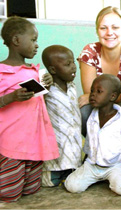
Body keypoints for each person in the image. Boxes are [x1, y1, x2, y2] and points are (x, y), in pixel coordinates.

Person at [0, 17, 59, 202]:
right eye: (33, 40)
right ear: (17, 40)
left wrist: (47, 85)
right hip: (12, 142)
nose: (36, 45)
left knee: (31, 189)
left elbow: (39, 100)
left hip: (34, 140)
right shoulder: (2, 71)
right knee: (9, 194)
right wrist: (11, 97)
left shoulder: (34, 71)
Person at [64, 74, 121, 195]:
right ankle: (96, 177)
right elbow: (90, 144)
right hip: (93, 165)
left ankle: (111, 177)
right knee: (72, 186)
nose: (93, 95)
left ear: (112, 96)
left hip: (115, 166)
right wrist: (85, 165)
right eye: (92, 91)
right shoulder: (92, 118)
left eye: (99, 91)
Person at [77, 6, 121, 136]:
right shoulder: (89, 52)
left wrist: (98, 95)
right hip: (99, 104)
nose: (109, 33)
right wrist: (96, 96)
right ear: (97, 31)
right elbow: (91, 95)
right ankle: (94, 150)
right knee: (83, 112)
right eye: (103, 28)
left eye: (115, 27)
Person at [41, 45, 83, 187]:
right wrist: (45, 84)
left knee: (73, 178)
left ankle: (70, 171)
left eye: (73, 63)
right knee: (50, 183)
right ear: (53, 70)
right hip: (56, 147)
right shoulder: (47, 90)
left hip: (73, 142)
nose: (73, 67)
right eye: (67, 64)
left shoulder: (72, 86)